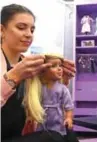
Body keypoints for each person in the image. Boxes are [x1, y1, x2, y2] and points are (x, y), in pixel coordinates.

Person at [1, 4, 75, 142]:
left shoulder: (30, 67)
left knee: (69, 136)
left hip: (20, 135)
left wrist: (62, 79)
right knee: (52, 138)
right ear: (1, 30)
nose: (29, 34)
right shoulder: (19, 69)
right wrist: (13, 77)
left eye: (32, 29)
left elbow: (49, 94)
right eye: (21, 27)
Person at [21, 54, 77, 141]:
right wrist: (30, 116)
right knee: (42, 134)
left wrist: (68, 118)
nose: (59, 69)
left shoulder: (62, 89)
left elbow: (68, 107)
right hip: (41, 118)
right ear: (42, 71)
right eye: (54, 66)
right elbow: (33, 104)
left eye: (60, 65)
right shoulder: (38, 88)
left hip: (57, 119)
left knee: (57, 135)